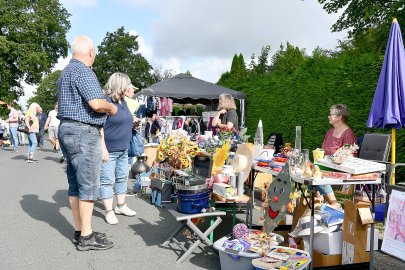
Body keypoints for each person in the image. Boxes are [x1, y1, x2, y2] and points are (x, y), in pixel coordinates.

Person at [57, 35, 117, 251]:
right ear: (91, 53)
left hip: (67, 129)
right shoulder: (84, 71)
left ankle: (80, 230)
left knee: (75, 184)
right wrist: (112, 108)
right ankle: (87, 237)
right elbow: (96, 103)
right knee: (89, 185)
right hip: (83, 131)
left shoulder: (66, 72)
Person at [99, 72, 137, 225]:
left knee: (122, 178)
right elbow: (99, 127)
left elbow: (124, 119)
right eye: (127, 84)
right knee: (107, 181)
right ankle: (109, 211)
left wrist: (133, 121)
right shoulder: (106, 102)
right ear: (119, 85)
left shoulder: (123, 101)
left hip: (123, 149)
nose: (129, 87)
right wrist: (103, 148)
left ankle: (120, 206)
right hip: (110, 149)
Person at [317, 104, 357, 208]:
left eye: (331, 114)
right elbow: (323, 150)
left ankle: (333, 203)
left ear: (339, 117)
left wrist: (336, 159)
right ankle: (318, 200)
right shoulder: (330, 132)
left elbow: (351, 156)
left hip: (340, 167)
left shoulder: (348, 133)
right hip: (326, 163)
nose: (328, 116)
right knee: (312, 168)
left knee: (316, 172)